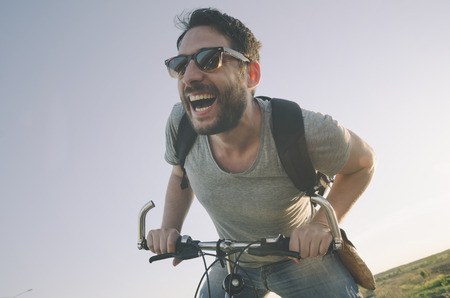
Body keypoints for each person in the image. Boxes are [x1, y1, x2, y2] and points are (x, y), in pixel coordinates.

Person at [147, 8, 376, 297]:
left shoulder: (302, 129)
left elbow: (364, 162)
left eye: (209, 59)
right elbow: (181, 174)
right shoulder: (181, 125)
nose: (189, 76)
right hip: (232, 260)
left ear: (250, 75)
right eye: (180, 65)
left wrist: (321, 225)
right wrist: (169, 228)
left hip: (301, 258)